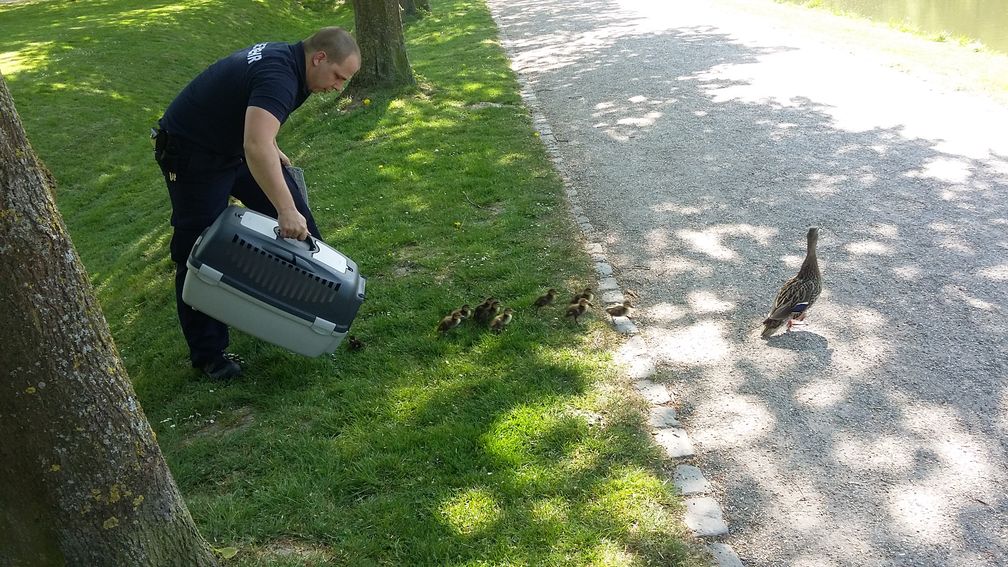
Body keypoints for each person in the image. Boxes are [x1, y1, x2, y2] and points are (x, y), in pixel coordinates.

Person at [153, 27, 361, 379]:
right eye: (339, 77)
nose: (338, 86)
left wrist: (272, 151)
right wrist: (283, 208)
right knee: (197, 248)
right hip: (193, 155)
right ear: (320, 57)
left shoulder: (294, 64)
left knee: (302, 225)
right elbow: (256, 145)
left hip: (232, 149)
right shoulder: (280, 74)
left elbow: (253, 120)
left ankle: (303, 311)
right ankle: (209, 356)